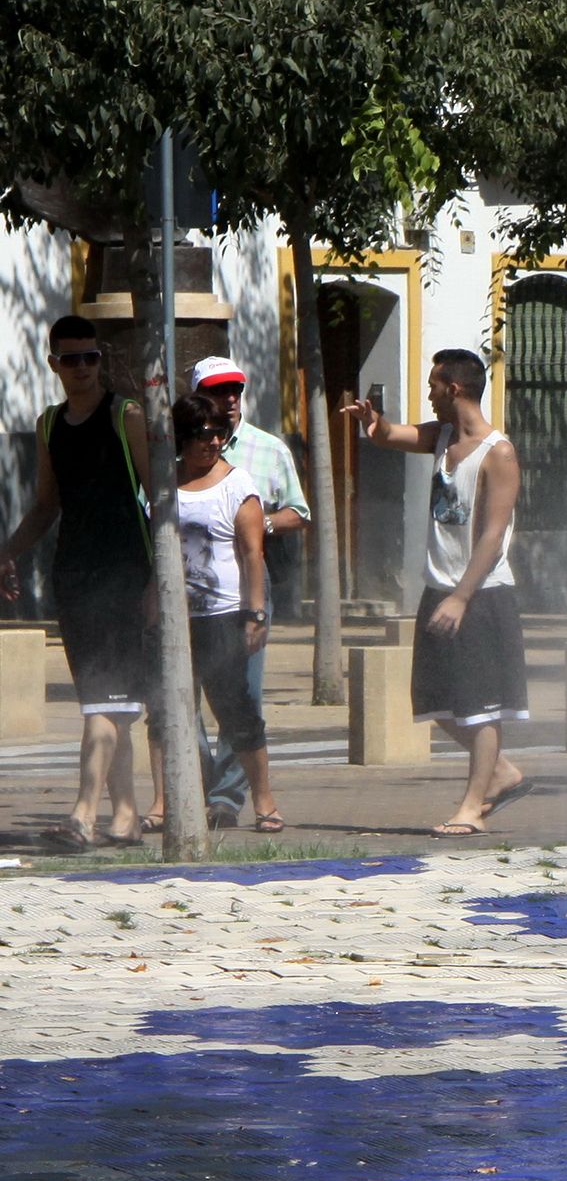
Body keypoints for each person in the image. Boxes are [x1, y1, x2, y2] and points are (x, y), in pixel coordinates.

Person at [342, 350, 533, 836]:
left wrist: (462, 597)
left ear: (455, 388)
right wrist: (373, 421)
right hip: (439, 585)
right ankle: (502, 772)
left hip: (481, 593)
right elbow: (390, 436)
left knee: (480, 703)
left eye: (433, 385)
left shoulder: (499, 452)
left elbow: (492, 535)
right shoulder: (441, 437)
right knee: (432, 698)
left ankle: (472, 806)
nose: (428, 393)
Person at [0, 317, 154, 847]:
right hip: (74, 577)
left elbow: (160, 498)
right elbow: (47, 505)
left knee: (104, 701)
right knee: (107, 702)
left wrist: (160, 581)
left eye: (91, 357)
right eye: (72, 359)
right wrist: (8, 553)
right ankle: (127, 816)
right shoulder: (49, 425)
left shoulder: (124, 415)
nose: (83, 368)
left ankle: (83, 815)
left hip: (125, 574)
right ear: (54, 364)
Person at [187, 356, 309, 824]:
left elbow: (298, 512)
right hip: (191, 594)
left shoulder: (267, 450)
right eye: (219, 391)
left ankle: (228, 796)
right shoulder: (174, 459)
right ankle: (193, 780)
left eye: (236, 390)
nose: (230, 399)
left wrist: (256, 526)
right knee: (181, 695)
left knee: (241, 695)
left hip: (246, 589)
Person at [165, 398, 280, 832]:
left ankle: (264, 801)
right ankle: (182, 799)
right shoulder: (167, 483)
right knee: (172, 709)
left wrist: (255, 613)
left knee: (236, 710)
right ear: (181, 438)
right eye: (201, 434)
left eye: (218, 433)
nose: (212, 442)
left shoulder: (237, 484)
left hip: (225, 613)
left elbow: (253, 553)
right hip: (179, 617)